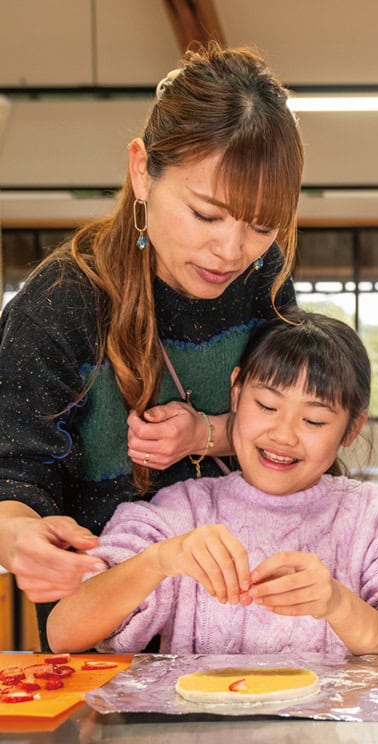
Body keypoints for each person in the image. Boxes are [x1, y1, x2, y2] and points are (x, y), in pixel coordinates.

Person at [0, 44, 303, 649]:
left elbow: (297, 430)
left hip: (251, 631)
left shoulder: (263, 280)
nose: (231, 250)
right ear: (142, 171)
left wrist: (207, 432)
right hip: (111, 641)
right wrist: (17, 536)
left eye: (262, 225)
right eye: (206, 214)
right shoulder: (62, 303)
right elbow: (13, 475)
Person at [47, 310, 378, 656]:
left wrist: (339, 604)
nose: (283, 435)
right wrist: (160, 561)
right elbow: (64, 632)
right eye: (267, 406)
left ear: (351, 428)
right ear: (236, 393)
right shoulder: (181, 511)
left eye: (314, 421)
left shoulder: (375, 518)